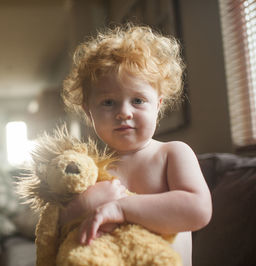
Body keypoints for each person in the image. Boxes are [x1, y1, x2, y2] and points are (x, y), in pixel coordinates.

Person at [60, 24, 212, 266]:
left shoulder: (171, 154)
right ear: (89, 112)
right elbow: (59, 230)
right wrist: (83, 206)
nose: (124, 113)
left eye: (138, 100)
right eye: (108, 102)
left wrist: (122, 208)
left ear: (158, 105)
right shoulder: (87, 169)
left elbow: (198, 210)